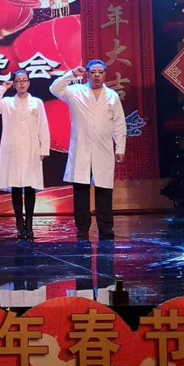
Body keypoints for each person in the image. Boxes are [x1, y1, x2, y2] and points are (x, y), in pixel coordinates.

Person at [49, 60, 127, 240]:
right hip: (82, 149)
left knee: (104, 190)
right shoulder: (75, 92)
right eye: (93, 72)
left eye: (100, 72)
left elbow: (119, 123)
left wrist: (120, 147)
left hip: (103, 148)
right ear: (87, 74)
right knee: (81, 191)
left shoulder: (112, 96)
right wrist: (71, 74)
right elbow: (54, 88)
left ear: (105, 74)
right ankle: (83, 229)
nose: (97, 75)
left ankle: (106, 229)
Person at [0, 70, 50, 241]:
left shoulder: (37, 102)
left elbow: (43, 126)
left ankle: (29, 223)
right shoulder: (7, 103)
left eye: (24, 80)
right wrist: (3, 87)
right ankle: (19, 223)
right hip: (12, 149)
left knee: (30, 187)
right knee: (15, 187)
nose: (22, 83)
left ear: (29, 83)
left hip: (31, 149)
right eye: (18, 81)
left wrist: (44, 149)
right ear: (14, 84)